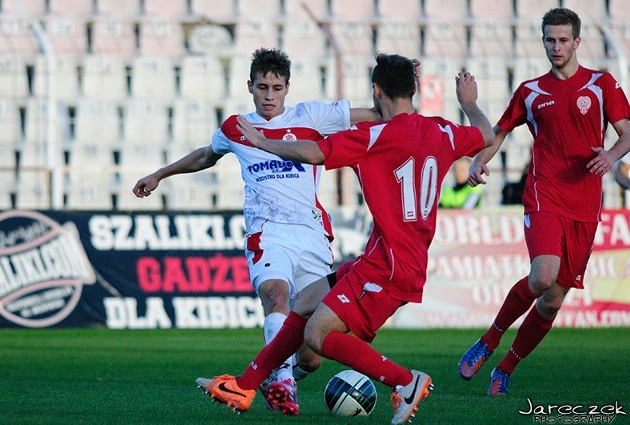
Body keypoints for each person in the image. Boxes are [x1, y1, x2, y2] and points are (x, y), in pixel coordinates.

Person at [196, 53, 494, 424]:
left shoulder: (375, 137)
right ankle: (244, 385)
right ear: (413, 89)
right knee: (304, 301)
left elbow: (313, 152)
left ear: (376, 90)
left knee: (318, 335)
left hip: (391, 265)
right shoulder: (442, 130)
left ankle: (405, 381)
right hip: (386, 256)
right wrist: (469, 103)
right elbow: (487, 133)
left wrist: (261, 140)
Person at [132, 48, 385, 415]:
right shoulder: (237, 127)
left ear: (287, 89)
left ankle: (279, 376)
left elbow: (376, 114)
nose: (269, 95)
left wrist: (394, 82)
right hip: (268, 232)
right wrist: (159, 174)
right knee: (276, 296)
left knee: (312, 353)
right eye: (262, 87)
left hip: (312, 236)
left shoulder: (311, 116)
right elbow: (206, 155)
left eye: (276, 88)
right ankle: (282, 382)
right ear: (250, 86)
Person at [458, 7, 630, 396]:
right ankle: (487, 342)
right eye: (550, 40)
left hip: (585, 206)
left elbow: (627, 131)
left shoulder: (602, 84)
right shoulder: (530, 91)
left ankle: (504, 369)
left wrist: (611, 154)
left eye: (563, 40)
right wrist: (477, 160)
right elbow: (498, 133)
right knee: (542, 276)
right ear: (543, 41)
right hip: (544, 194)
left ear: (577, 42)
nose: (556, 47)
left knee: (551, 302)